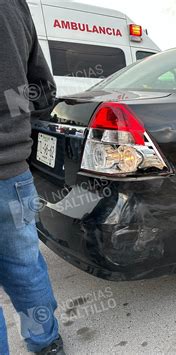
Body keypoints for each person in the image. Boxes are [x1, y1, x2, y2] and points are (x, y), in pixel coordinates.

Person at [0, 1, 64, 354]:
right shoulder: (14, 5)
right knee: (25, 268)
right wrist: (12, 114)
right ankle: (45, 344)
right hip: (12, 171)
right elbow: (42, 89)